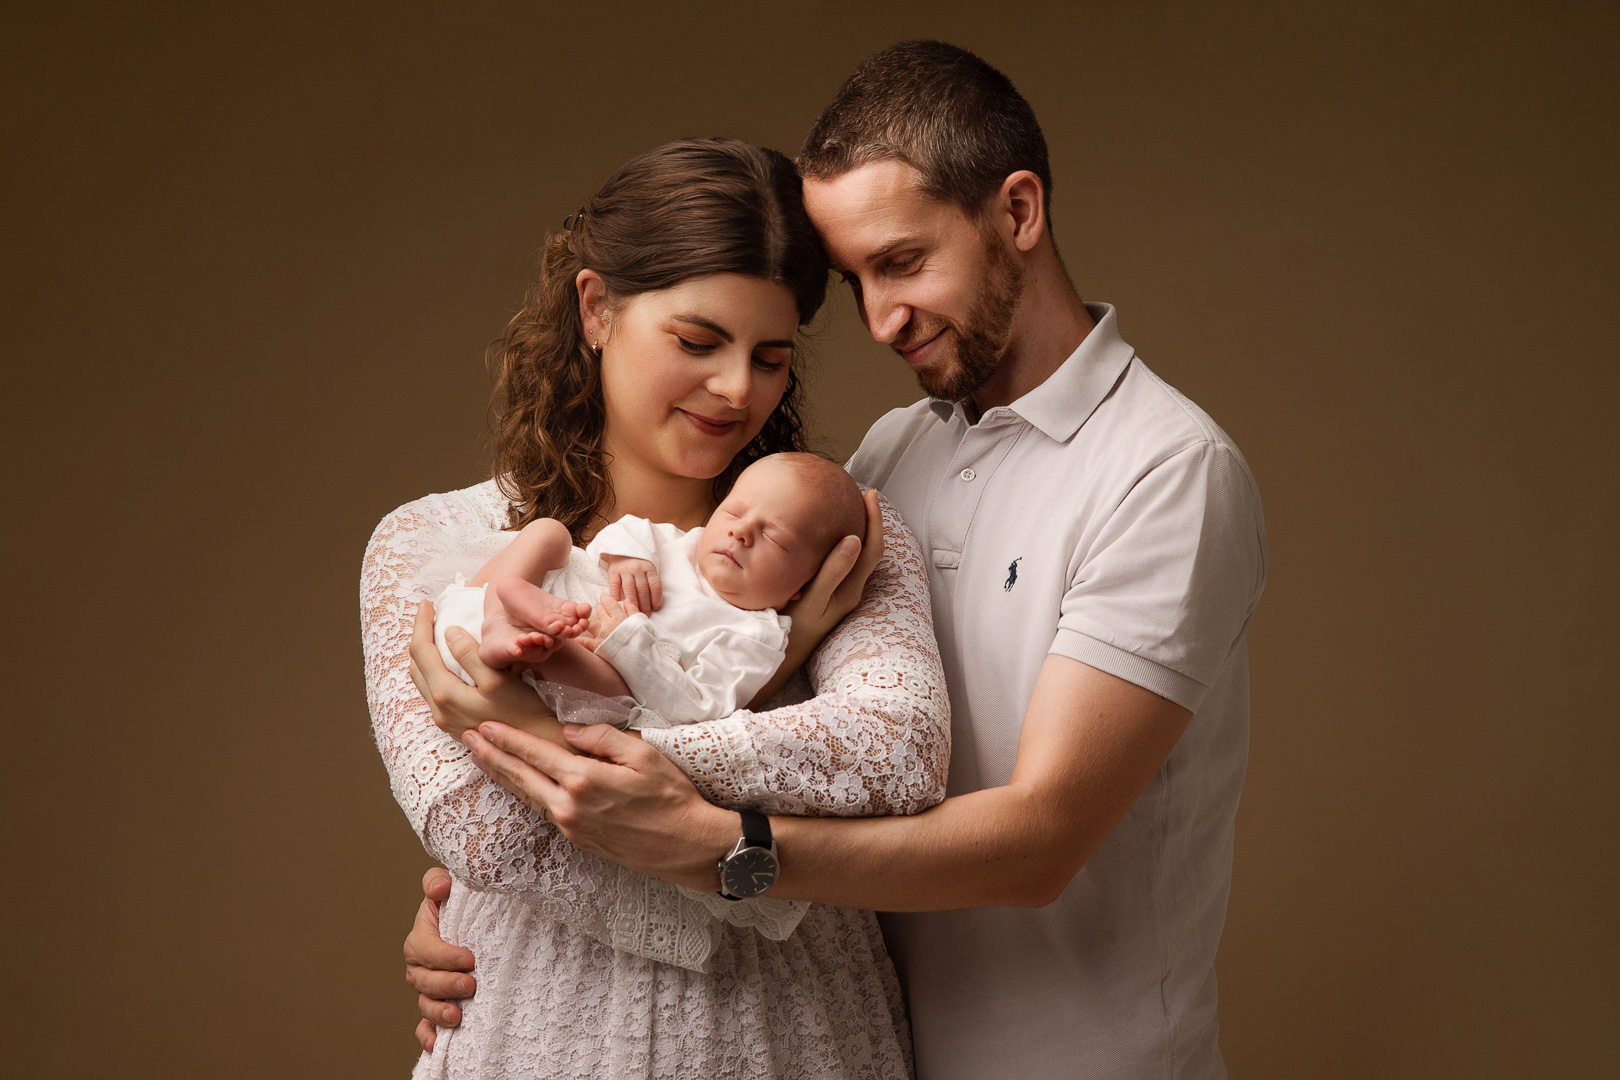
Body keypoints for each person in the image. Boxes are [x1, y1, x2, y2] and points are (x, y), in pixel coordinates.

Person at [407, 42, 1268, 1079]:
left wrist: (710, 843)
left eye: (902, 262)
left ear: (1019, 212)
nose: (879, 320)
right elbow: (753, 698)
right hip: (875, 1043)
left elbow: (1040, 843)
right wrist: (480, 906)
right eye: (855, 280)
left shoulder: (1166, 472)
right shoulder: (888, 460)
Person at [363, 137, 950, 1079]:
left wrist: (554, 740)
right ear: (596, 309)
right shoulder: (428, 543)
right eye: (698, 342)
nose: (738, 389)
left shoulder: (827, 539)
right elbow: (484, 832)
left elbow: (900, 751)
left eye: (770, 357)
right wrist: (755, 859)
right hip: (533, 1032)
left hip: (795, 1034)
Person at [432, 452, 867, 726]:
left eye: (775, 537)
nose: (741, 532)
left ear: (803, 586)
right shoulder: (681, 542)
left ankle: (529, 637)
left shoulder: (755, 636)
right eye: (734, 512)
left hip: (551, 675)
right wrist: (628, 555)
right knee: (549, 533)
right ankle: (500, 618)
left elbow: (698, 709)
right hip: (475, 616)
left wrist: (629, 642)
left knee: (604, 677)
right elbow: (615, 536)